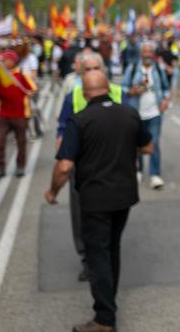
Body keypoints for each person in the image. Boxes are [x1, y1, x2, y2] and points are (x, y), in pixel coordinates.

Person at [46, 69, 152, 332]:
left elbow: (64, 166)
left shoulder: (79, 120)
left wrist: (52, 192)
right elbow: (148, 147)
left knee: (97, 256)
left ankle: (104, 319)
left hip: (94, 200)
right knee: (112, 250)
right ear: (108, 89)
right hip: (124, 197)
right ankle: (109, 307)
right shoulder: (129, 113)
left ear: (84, 93)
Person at [58, 50, 121, 281]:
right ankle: (87, 260)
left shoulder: (118, 93)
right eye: (88, 70)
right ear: (79, 72)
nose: (93, 73)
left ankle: (107, 259)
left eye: (97, 69)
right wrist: (64, 165)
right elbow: (62, 132)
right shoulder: (73, 96)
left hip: (113, 166)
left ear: (104, 70)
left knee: (112, 217)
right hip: (83, 169)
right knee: (82, 216)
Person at [121, 41, 170, 190]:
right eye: (145, 51)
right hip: (137, 113)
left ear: (153, 54)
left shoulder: (158, 69)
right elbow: (123, 87)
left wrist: (166, 101)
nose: (147, 54)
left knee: (154, 143)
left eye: (150, 51)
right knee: (137, 144)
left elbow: (166, 88)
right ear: (141, 53)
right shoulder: (133, 68)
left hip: (155, 113)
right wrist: (132, 92)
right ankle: (138, 170)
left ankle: (155, 174)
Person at [0, 51, 35, 179]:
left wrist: (31, 93)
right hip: (4, 115)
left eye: (8, 60)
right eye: (4, 60)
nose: (5, 62)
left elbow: (33, 88)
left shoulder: (21, 74)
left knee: (21, 142)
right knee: (0, 141)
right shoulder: (0, 77)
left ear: (14, 61)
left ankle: (20, 167)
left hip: (20, 114)